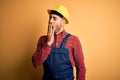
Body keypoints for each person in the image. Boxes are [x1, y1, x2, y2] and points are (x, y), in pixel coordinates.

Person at [32, 5, 86, 80]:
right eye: (50, 18)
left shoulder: (74, 40)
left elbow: (81, 68)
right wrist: (48, 43)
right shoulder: (42, 40)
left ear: (63, 22)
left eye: (54, 18)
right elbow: (35, 63)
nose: (50, 21)